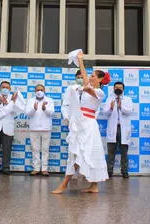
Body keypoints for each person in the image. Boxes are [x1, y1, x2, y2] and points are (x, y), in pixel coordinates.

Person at [52, 51, 110, 194]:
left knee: (90, 153)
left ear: (100, 79)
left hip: (89, 125)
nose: (90, 78)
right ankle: (83, 185)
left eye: (93, 76)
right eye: (90, 75)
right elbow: (84, 86)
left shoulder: (100, 93)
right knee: (75, 152)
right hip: (81, 123)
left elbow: (87, 85)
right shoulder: (86, 90)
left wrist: (81, 62)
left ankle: (81, 185)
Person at [102, 81, 133, 178]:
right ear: (113, 89)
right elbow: (105, 113)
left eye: (120, 87)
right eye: (116, 87)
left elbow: (129, 111)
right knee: (111, 151)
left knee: (124, 151)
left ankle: (124, 171)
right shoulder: (109, 99)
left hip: (123, 128)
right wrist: (111, 108)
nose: (118, 89)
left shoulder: (128, 99)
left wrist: (120, 106)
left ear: (123, 89)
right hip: (113, 128)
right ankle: (109, 171)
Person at [0, 81, 18, 175]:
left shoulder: (13, 98)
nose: (5, 89)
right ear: (0, 88)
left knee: (7, 149)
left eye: (7, 87)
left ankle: (6, 167)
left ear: (9, 89)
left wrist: (8, 103)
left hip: (7, 127)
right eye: (3, 87)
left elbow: (16, 112)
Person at [25, 84, 55, 176]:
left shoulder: (49, 100)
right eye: (38, 90)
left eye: (41, 90)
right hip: (34, 129)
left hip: (46, 128)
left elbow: (51, 113)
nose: (39, 91)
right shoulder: (30, 101)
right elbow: (27, 113)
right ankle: (36, 168)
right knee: (35, 149)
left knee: (45, 149)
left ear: (44, 91)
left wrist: (44, 109)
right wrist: (34, 109)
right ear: (35, 91)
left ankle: (44, 169)